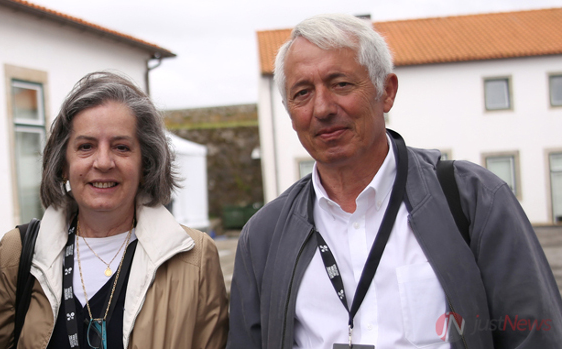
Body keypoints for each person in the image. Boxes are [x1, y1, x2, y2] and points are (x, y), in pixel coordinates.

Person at [228, 13, 562, 349]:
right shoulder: (263, 237)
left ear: (386, 92)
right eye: (302, 93)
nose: (323, 108)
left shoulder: (474, 200)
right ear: (289, 113)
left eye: (341, 84)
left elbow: (537, 336)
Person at [0, 71, 228, 348]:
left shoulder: (195, 257)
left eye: (121, 147)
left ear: (146, 164)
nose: (104, 162)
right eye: (86, 146)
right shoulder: (19, 253)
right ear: (63, 165)